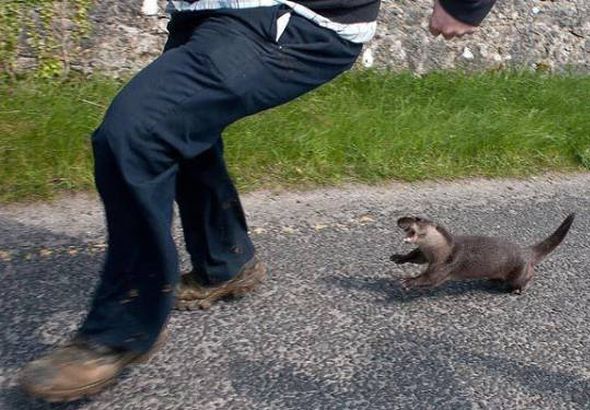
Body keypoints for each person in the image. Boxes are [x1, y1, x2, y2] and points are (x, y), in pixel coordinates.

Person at [19, 0, 497, 402]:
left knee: (137, 131)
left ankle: (121, 327)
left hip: (294, 16)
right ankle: (225, 263)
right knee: (183, 132)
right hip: (205, 12)